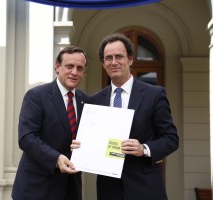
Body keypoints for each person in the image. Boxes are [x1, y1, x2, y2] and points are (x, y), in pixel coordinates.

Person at [72, 33, 179, 200]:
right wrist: (81, 147)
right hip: (109, 189)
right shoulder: (94, 101)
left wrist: (144, 149)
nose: (114, 62)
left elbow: (171, 139)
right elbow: (92, 142)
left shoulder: (154, 94)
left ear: (130, 60)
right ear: (103, 64)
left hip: (146, 187)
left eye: (119, 56)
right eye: (108, 58)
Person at [12, 46, 89, 200]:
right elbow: (27, 138)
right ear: (57, 66)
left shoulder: (86, 101)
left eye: (79, 68)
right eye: (69, 66)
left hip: (70, 189)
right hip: (37, 189)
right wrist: (56, 159)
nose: (74, 72)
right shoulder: (36, 96)